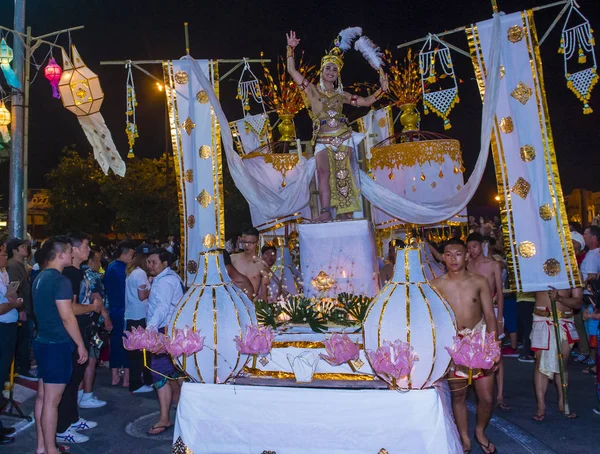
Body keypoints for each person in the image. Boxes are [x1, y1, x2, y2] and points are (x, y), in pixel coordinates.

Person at [286, 29, 388, 221]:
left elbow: (366, 102)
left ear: (338, 73)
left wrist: (381, 90)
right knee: (322, 173)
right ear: (322, 71)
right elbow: (292, 71)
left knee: (344, 173)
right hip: (322, 138)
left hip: (342, 136)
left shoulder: (342, 95)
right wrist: (290, 49)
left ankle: (345, 212)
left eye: (335, 69)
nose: (331, 72)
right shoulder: (311, 90)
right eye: (328, 68)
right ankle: (325, 212)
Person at [432, 238, 498, 454]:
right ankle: (464, 437)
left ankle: (480, 431)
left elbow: (489, 315)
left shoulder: (479, 281)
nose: (453, 258)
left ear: (467, 255)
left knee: (486, 397)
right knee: (458, 395)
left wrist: (493, 347)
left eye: (458, 253)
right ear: (443, 257)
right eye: (448, 254)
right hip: (454, 346)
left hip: (480, 342)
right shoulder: (436, 285)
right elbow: (434, 319)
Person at [32, 237, 89, 454]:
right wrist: (80, 344)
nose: (71, 254)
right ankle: (50, 449)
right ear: (61, 254)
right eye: (68, 251)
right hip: (56, 344)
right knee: (52, 402)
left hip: (43, 342)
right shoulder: (60, 280)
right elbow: (67, 317)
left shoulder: (40, 276)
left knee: (43, 397)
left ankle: (41, 446)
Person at [56, 233, 102, 445]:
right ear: (72, 250)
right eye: (85, 245)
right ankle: (62, 427)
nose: (88, 249)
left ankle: (72, 419)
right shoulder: (70, 274)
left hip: (83, 329)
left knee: (76, 380)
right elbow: (71, 308)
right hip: (73, 333)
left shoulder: (79, 272)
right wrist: (92, 307)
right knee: (70, 379)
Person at [466, 232, 509, 412]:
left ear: (482, 245)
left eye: (474, 247)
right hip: (473, 314)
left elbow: (500, 292)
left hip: (492, 310)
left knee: (495, 352)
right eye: (468, 248)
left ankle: (499, 394)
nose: (472, 251)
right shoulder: (467, 265)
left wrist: (499, 318)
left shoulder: (493, 265)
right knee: (473, 351)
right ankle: (477, 389)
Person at [145, 248, 183, 435]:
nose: (149, 265)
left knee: (159, 374)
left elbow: (162, 308)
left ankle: (164, 419)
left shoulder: (165, 282)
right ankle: (182, 410)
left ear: (165, 264)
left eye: (154, 262)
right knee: (174, 373)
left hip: (163, 331)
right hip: (169, 330)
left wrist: (150, 329)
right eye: (149, 262)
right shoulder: (165, 278)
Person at [531, 286, 582, 420]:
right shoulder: (538, 269)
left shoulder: (572, 272)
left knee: (562, 364)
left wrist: (560, 298)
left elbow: (578, 302)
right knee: (540, 364)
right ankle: (541, 406)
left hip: (565, 321)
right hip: (542, 320)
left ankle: (563, 403)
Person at [80, 249, 113, 407]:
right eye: (98, 261)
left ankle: (80, 394)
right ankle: (87, 395)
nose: (100, 264)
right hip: (92, 323)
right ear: (91, 261)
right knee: (91, 359)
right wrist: (106, 317)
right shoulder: (92, 276)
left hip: (82, 322)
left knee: (83, 360)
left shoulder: (77, 272)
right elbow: (97, 298)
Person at [0, 240, 24, 446]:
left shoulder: (4, 273)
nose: (4, 257)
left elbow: (9, 296)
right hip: (1, 328)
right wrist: (13, 304)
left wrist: (14, 299)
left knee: (2, 378)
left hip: (9, 327)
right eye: (1, 254)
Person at [103, 241, 134, 387]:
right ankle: (126, 378)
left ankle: (115, 375)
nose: (133, 258)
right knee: (127, 343)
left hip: (114, 309)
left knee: (115, 343)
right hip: (123, 310)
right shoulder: (122, 270)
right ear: (125, 254)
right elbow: (126, 292)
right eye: (131, 255)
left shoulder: (111, 266)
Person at [124, 243, 154, 393]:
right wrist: (153, 288)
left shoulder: (132, 272)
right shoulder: (140, 273)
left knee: (136, 351)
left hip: (132, 315)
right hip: (139, 316)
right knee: (140, 352)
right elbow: (142, 295)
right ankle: (137, 384)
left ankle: (140, 381)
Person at [6, 237, 36, 381]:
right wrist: (21, 309)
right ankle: (22, 369)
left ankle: (22, 368)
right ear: (14, 250)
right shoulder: (13, 265)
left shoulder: (20, 265)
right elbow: (13, 290)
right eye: (22, 246)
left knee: (25, 339)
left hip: (24, 308)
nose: (26, 249)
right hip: (20, 310)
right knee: (23, 340)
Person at [231, 227, 267, 298]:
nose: (247, 245)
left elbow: (264, 293)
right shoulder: (233, 259)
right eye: (244, 242)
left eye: (250, 243)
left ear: (258, 242)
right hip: (233, 303)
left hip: (252, 304)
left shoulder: (261, 265)